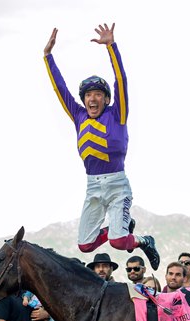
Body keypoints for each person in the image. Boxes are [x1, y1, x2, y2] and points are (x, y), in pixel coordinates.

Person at [43, 23, 160, 271]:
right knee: (85, 245)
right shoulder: (78, 116)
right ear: (83, 100)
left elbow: (121, 80)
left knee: (119, 242)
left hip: (117, 183)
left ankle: (143, 240)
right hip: (92, 185)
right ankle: (114, 228)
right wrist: (48, 57)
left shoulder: (117, 113)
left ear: (106, 99)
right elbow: (60, 90)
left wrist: (111, 47)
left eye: (98, 94)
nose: (92, 98)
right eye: (88, 95)